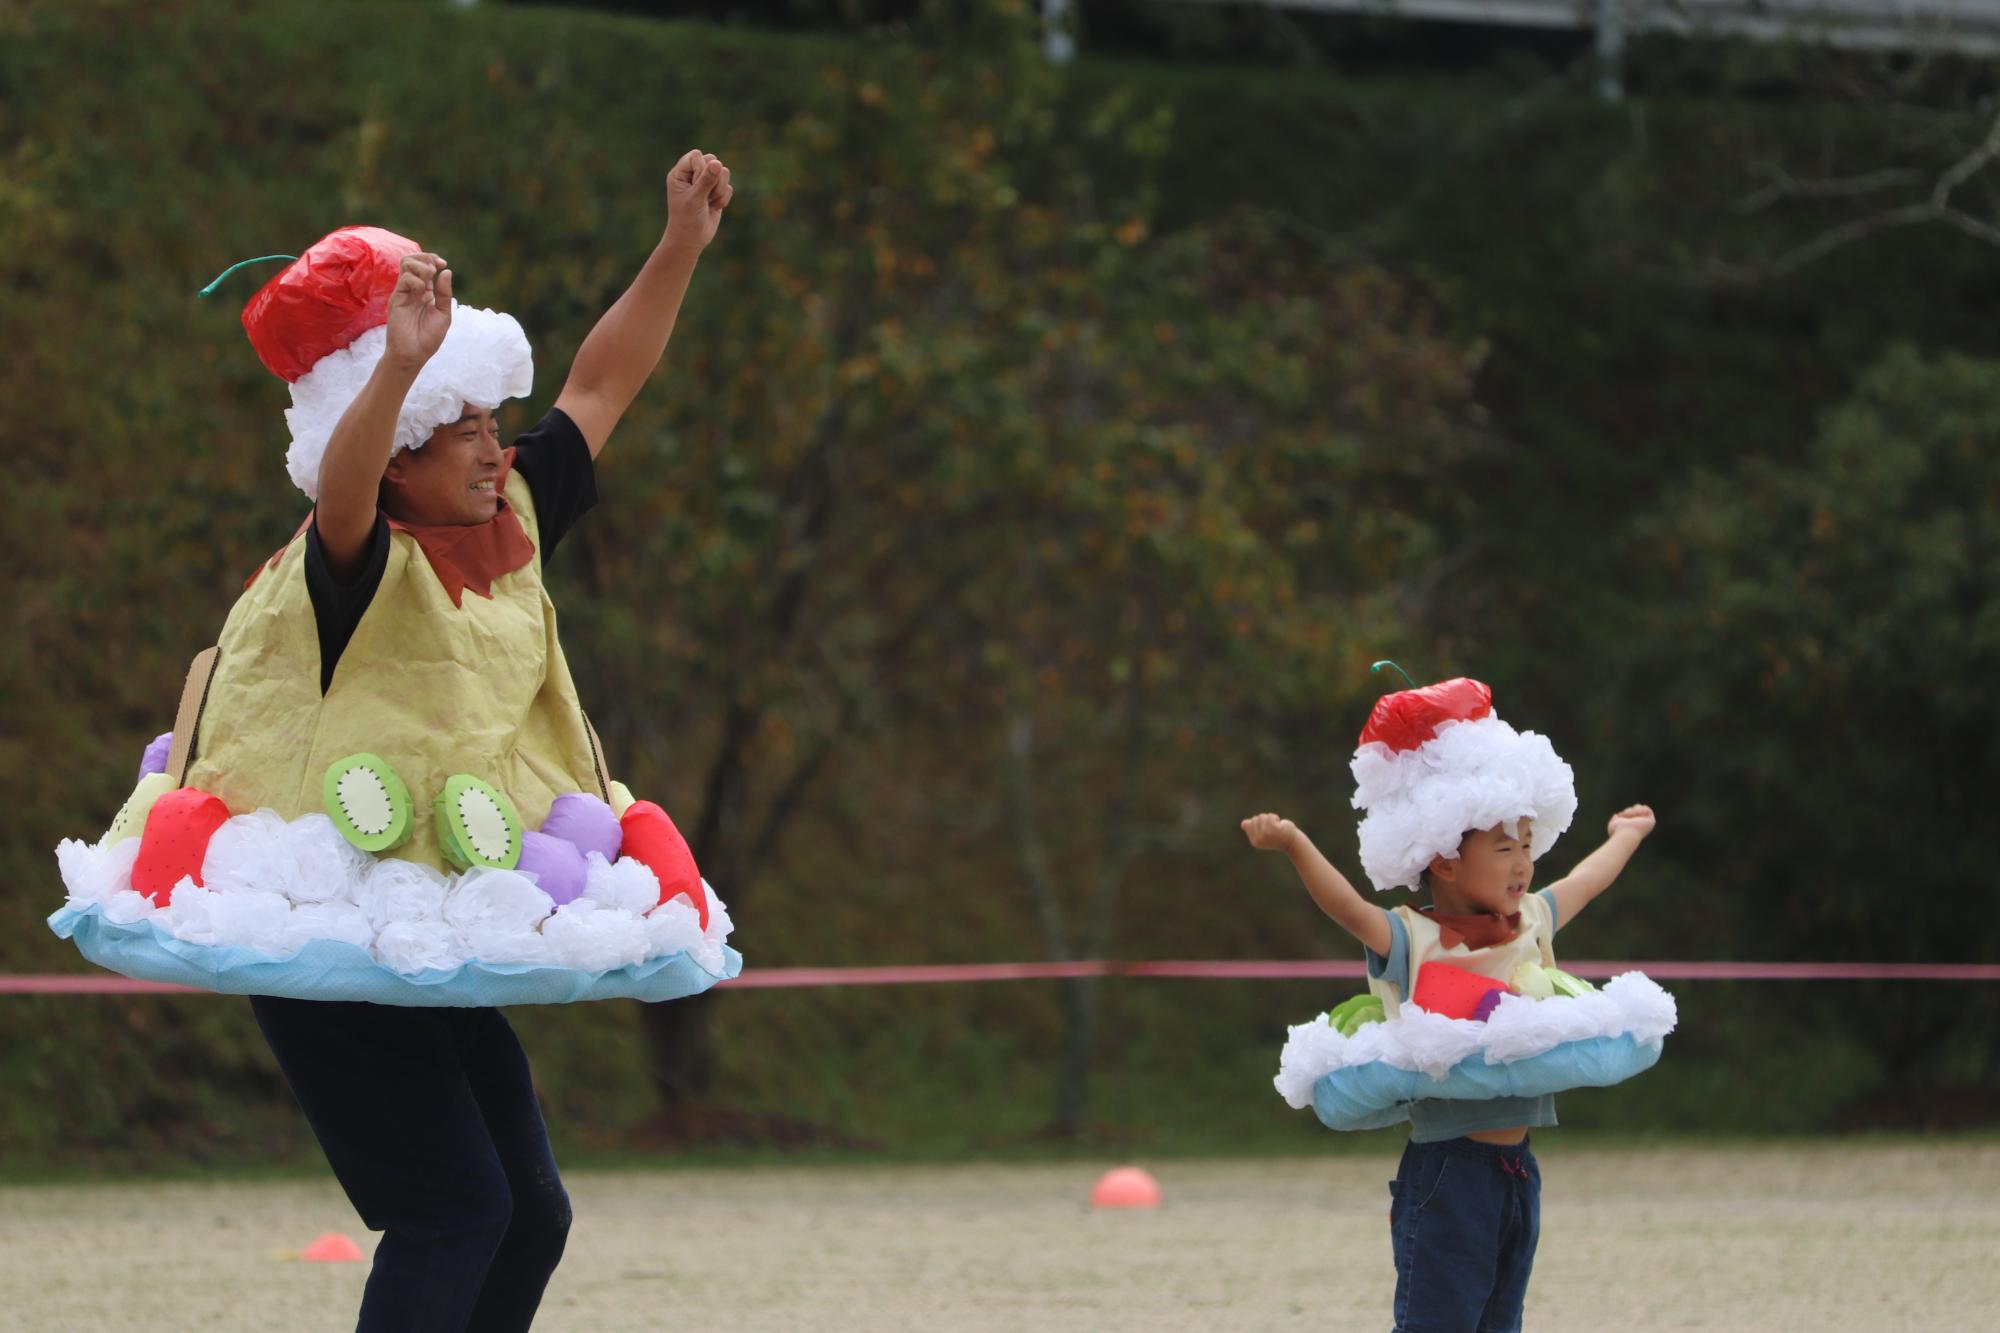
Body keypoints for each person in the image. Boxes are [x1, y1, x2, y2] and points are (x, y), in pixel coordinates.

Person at [51, 149, 736, 1333]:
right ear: (396, 444)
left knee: (532, 1215)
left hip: (426, 929)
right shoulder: (347, 566)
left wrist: (678, 246)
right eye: (455, 426)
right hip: (326, 933)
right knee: (454, 1212)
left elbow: (604, 382)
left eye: (489, 420)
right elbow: (344, 488)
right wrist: (399, 371)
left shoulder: (511, 505)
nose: (491, 446)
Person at [1243, 673, 1667, 1333]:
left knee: (1501, 1322)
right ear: (1443, 856)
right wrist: (1295, 843)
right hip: (1448, 1173)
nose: (1523, 862)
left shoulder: (1532, 918)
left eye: (1527, 842)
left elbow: (1586, 879)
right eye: (1504, 847)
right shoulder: (1413, 938)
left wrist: (1626, 835)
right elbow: (1349, 907)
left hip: (1517, 1170)